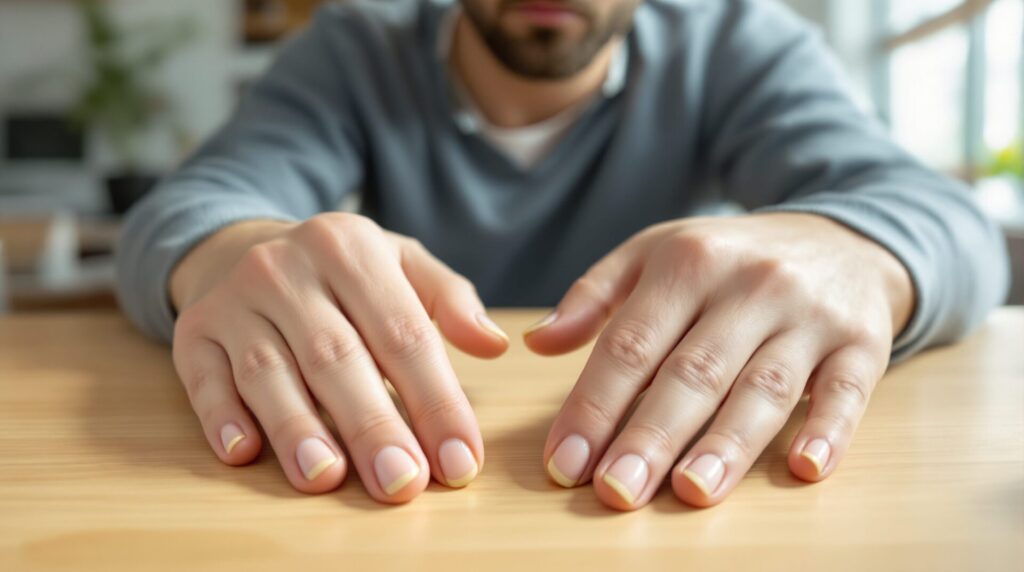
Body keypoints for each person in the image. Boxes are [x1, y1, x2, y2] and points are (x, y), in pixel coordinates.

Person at [115, 0, 1009, 511]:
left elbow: (948, 223)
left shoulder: (736, 43)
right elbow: (188, 211)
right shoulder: (357, 47)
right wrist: (237, 252)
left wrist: (853, 251)